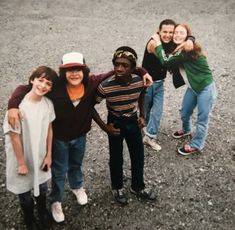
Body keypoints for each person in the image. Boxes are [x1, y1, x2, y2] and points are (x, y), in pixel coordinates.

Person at [7, 52, 152, 222]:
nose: (74, 73)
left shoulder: (91, 83)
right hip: (59, 138)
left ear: (85, 71)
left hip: (80, 136)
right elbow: (25, 87)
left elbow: (117, 70)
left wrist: (143, 72)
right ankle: (56, 200)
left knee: (76, 164)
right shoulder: (56, 86)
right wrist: (12, 105)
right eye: (69, 70)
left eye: (78, 69)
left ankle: (77, 187)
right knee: (59, 171)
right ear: (63, 72)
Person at [92, 46, 156, 205]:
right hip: (115, 122)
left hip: (133, 121)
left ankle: (138, 186)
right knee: (116, 157)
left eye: (125, 65)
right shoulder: (105, 85)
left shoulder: (139, 80)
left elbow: (141, 94)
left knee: (138, 155)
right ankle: (117, 187)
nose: (119, 68)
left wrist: (142, 115)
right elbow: (91, 106)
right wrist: (104, 127)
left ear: (133, 68)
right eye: (116, 64)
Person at [149, 24, 217, 155]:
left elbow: (166, 62)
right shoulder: (179, 48)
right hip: (193, 87)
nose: (177, 35)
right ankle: (186, 130)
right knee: (184, 112)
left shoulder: (187, 48)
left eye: (182, 33)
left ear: (187, 35)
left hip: (205, 89)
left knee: (202, 119)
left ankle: (196, 145)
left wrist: (157, 43)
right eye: (176, 33)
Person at [3, 66, 58, 229]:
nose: (43, 86)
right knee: (24, 193)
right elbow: (14, 136)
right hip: (22, 157)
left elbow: (49, 129)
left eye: (48, 83)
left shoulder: (48, 104)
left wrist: (48, 154)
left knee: (41, 188)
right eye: (40, 80)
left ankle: (42, 212)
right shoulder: (17, 108)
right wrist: (21, 163)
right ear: (31, 80)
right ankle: (28, 217)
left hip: (40, 156)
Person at [142, 19, 194, 151]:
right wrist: (159, 41)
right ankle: (144, 127)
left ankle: (149, 136)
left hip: (159, 83)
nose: (168, 35)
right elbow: (165, 61)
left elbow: (185, 37)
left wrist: (191, 39)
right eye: (164, 31)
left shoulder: (169, 42)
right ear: (159, 31)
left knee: (157, 111)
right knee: (146, 110)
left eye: (171, 32)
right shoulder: (154, 43)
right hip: (146, 83)